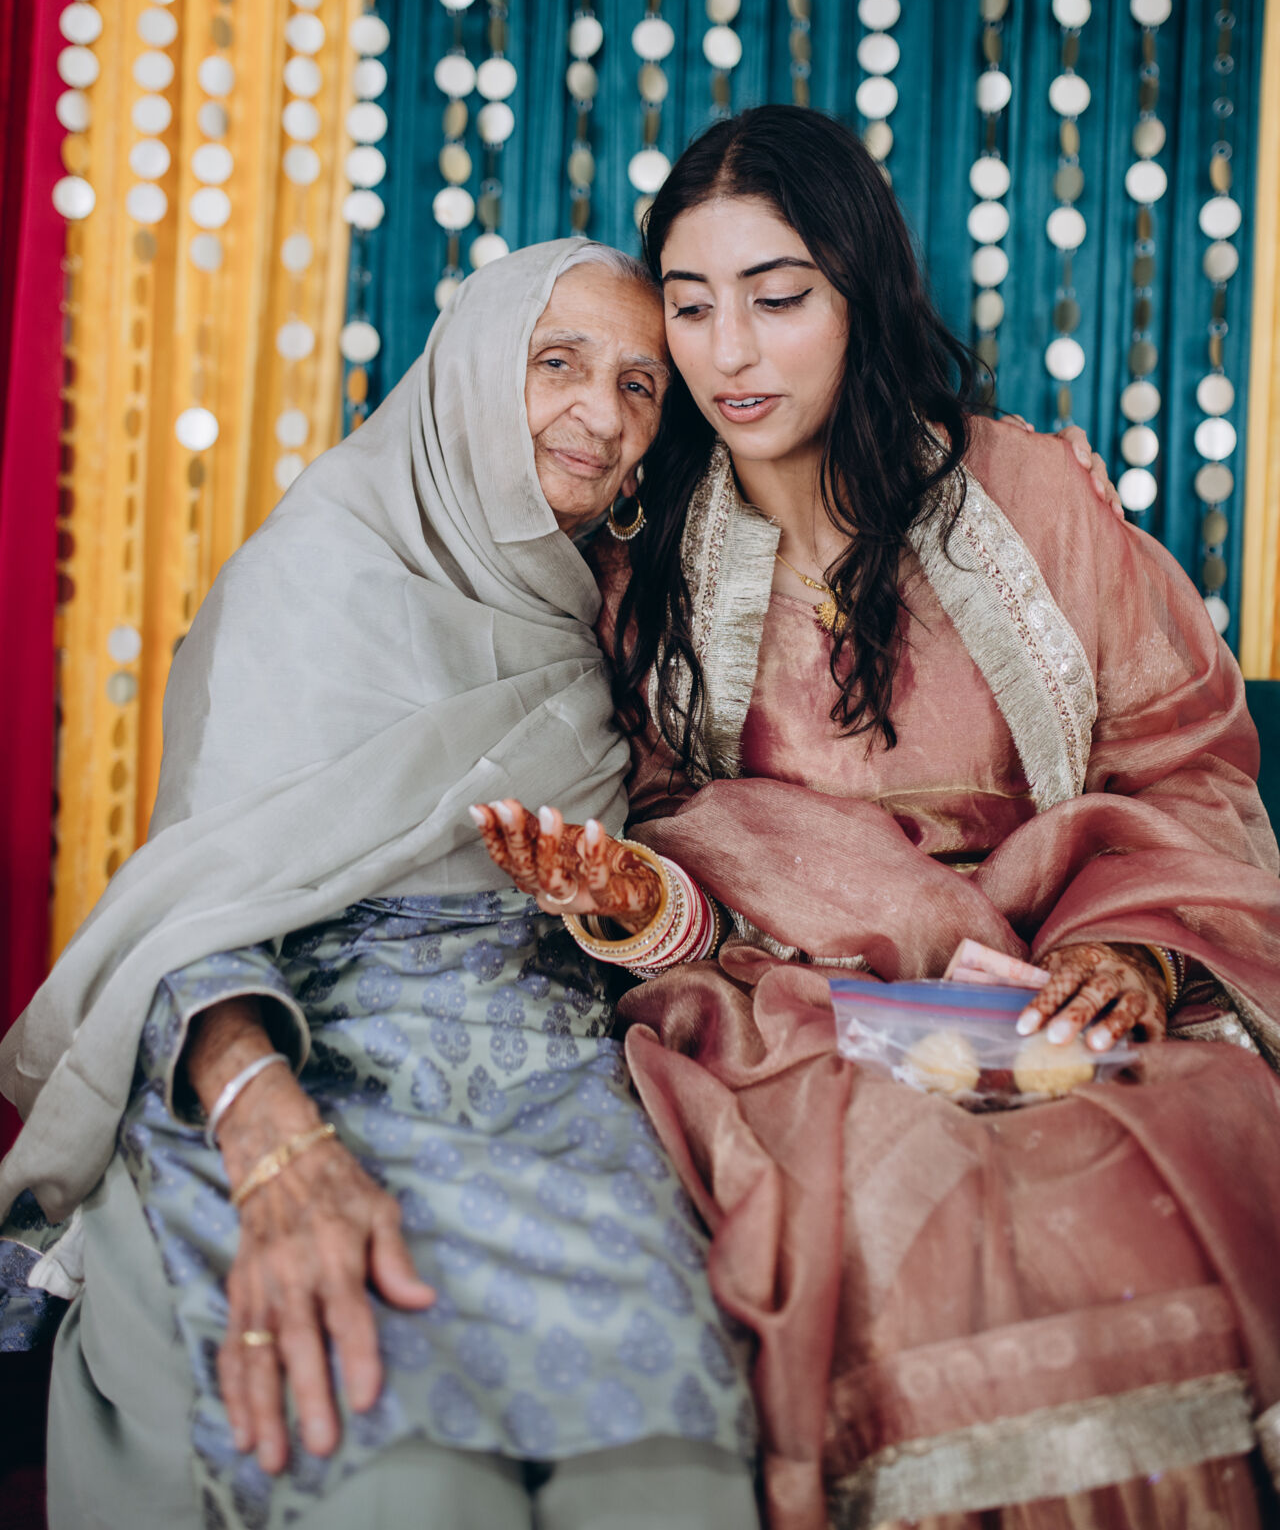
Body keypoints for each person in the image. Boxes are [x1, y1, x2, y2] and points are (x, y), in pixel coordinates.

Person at [475, 108, 1280, 1530]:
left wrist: (1138, 948)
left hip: (1058, 984)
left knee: (1132, 1177)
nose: (729, 352)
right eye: (691, 306)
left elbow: (1189, 763)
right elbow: (667, 835)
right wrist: (634, 898)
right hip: (797, 1017)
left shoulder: (1033, 501)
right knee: (889, 1193)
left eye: (777, 299)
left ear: (859, 292)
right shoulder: (643, 566)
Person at [0, 239, 760, 1530]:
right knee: (398, 1473)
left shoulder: (626, 620)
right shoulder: (314, 571)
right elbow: (196, 903)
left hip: (547, 1092)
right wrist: (267, 1131)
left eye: (641, 386)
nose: (601, 412)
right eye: (558, 363)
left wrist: (629, 900)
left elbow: (710, 877)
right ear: (470, 373)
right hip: (293, 1053)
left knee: (658, 1463)